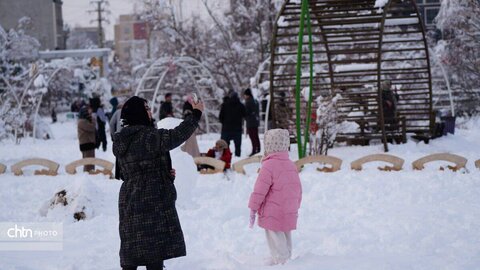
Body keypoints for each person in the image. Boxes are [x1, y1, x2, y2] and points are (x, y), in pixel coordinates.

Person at [113, 96, 203, 270]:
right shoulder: (149, 136)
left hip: (129, 200)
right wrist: (196, 114)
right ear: (138, 113)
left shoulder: (121, 140)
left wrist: (162, 172)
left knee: (132, 249)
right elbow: (178, 135)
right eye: (146, 108)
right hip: (151, 199)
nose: (150, 111)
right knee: (154, 251)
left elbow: (126, 173)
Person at [248, 129, 302, 265]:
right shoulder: (291, 164)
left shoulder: (268, 166)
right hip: (289, 208)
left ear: (268, 146)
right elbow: (298, 188)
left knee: (275, 235)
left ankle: (281, 261)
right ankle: (287, 258)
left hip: (273, 211)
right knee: (285, 233)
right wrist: (296, 205)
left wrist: (253, 207)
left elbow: (259, 190)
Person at [219, 91, 246, 157]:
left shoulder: (224, 105)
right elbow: (245, 115)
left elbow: (220, 117)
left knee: (225, 146)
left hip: (226, 129)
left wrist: (224, 123)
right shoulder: (241, 105)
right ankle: (238, 158)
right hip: (237, 129)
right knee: (237, 146)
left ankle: (226, 158)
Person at [77, 106, 96, 172]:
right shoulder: (82, 122)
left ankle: (91, 173)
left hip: (89, 143)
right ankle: (88, 175)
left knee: (91, 161)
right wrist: (93, 119)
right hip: (86, 144)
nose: (90, 114)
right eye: (88, 112)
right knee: (88, 163)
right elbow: (92, 128)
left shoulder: (85, 121)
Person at [243, 88, 261, 156]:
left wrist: (244, 116)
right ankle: (258, 148)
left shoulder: (248, 102)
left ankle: (254, 150)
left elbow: (246, 112)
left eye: (245, 95)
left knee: (252, 136)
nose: (244, 96)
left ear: (247, 95)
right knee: (256, 136)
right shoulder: (255, 101)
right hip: (255, 121)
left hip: (250, 122)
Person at [109, 102, 124, 180]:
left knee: (118, 156)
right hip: (129, 135)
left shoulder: (117, 112)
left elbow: (111, 123)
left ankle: (117, 175)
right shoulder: (130, 111)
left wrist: (113, 135)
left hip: (118, 136)